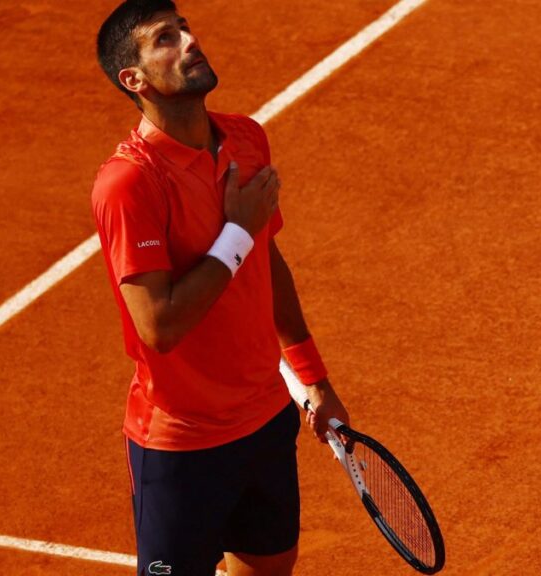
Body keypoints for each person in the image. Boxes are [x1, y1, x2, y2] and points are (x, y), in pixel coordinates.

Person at [91, 1, 351, 575]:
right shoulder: (129, 183)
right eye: (165, 39)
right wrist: (237, 231)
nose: (189, 41)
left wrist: (311, 377)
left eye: (184, 28)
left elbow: (268, 260)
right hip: (182, 449)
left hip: (265, 421)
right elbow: (160, 326)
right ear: (133, 80)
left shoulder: (246, 138)